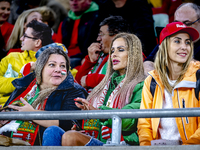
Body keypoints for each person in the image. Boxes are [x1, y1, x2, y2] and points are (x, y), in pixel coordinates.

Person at [42, 32, 145, 146]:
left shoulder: (142, 85)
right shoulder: (105, 85)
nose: (114, 55)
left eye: (120, 50)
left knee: (70, 137)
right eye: (112, 51)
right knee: (52, 131)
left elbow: (129, 120)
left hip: (124, 145)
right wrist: (82, 125)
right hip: (100, 141)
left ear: (133, 54)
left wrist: (98, 113)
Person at [0, 47, 87, 145]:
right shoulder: (24, 85)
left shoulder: (75, 91)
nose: (58, 70)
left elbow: (67, 124)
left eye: (63, 66)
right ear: (40, 68)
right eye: (52, 65)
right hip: (5, 139)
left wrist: (31, 114)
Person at [137, 21, 200, 145]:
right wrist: (147, 147)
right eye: (177, 41)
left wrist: (188, 148)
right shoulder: (151, 80)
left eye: (187, 42)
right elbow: (144, 124)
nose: (184, 46)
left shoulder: (199, 75)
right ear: (163, 46)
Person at [0, 20, 52, 106]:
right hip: (4, 106)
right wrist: (22, 80)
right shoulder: (11, 58)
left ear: (37, 42)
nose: (21, 39)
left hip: (31, 110)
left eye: (25, 36)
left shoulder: (52, 63)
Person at [75, 16, 132, 93]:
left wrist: (91, 79)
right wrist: (90, 62)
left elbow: (125, 83)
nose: (98, 39)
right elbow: (78, 82)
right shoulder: (99, 54)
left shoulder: (131, 55)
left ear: (115, 35)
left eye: (101, 34)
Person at [55, 0, 100, 69]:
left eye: (78, 0)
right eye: (71, 0)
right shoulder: (65, 21)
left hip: (83, 57)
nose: (74, 2)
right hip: (66, 56)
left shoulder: (97, 18)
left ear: (89, 1)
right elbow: (58, 44)